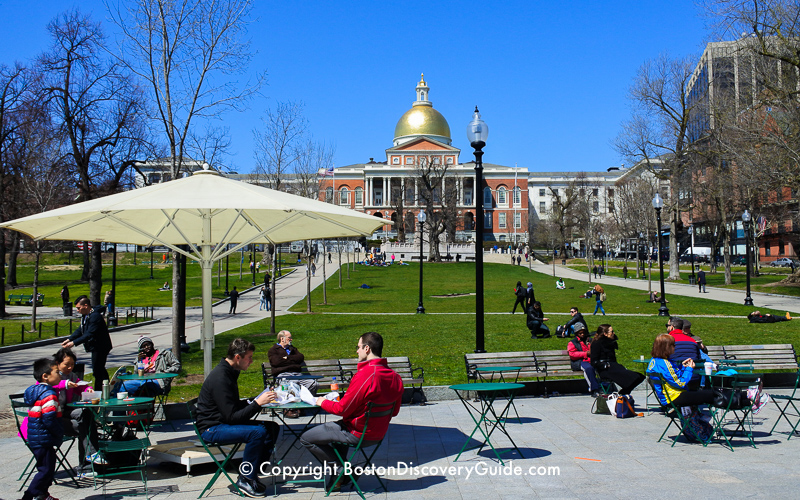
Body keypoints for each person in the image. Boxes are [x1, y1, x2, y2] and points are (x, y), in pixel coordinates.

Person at [300, 332, 403, 492]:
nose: (357, 351)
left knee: (306, 438)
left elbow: (342, 409)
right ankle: (338, 480)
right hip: (378, 434)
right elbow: (394, 412)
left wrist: (321, 401)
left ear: (367, 348)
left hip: (357, 433)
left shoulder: (366, 375)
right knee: (335, 433)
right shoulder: (395, 377)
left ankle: (340, 470)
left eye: (358, 347)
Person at [196, 339, 279, 498]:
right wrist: (257, 404)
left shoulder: (230, 371)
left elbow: (232, 406)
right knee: (257, 432)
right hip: (211, 428)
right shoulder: (221, 377)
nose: (251, 361)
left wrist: (259, 397)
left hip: (221, 421)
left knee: (272, 428)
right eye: (249, 357)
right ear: (238, 357)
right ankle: (246, 478)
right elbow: (232, 417)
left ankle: (253, 472)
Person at [647, 334, 769, 414]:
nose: (675, 348)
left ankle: (750, 400)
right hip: (675, 397)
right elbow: (680, 382)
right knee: (714, 394)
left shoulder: (655, 362)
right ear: (666, 347)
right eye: (673, 345)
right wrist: (689, 369)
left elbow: (673, 374)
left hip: (671, 396)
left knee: (715, 394)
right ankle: (748, 397)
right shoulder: (665, 363)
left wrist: (682, 367)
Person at [21, 358, 63, 500]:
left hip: (35, 436)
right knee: (45, 470)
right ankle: (30, 495)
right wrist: (58, 432)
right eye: (57, 372)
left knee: (48, 467)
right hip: (43, 438)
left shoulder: (36, 391)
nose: (60, 375)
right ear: (45, 376)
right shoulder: (49, 394)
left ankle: (43, 494)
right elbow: (49, 418)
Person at [62, 295, 112, 390]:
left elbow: (89, 333)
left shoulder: (95, 316)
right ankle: (107, 386)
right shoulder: (86, 316)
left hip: (100, 346)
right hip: (95, 346)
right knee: (99, 368)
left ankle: (100, 390)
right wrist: (70, 339)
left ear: (85, 306)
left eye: (78, 308)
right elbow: (80, 329)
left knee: (97, 370)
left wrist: (74, 343)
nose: (77, 310)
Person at [268, 331, 319, 417]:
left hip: (297, 374)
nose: (291, 339)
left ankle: (302, 406)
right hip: (284, 375)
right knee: (292, 385)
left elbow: (300, 358)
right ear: (282, 339)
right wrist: (292, 362)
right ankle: (289, 410)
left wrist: (287, 358)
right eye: (289, 338)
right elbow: (276, 362)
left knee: (313, 384)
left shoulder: (293, 349)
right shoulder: (273, 350)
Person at [115, 336, 181, 396]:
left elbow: (177, 366)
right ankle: (124, 407)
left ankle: (144, 407)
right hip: (142, 381)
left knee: (145, 387)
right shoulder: (140, 358)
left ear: (152, 344)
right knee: (123, 386)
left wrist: (164, 372)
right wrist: (139, 361)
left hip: (158, 381)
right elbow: (135, 375)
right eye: (143, 346)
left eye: (148, 344)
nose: (146, 347)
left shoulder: (164, 354)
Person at [589, 324, 644, 395]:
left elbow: (613, 359)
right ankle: (624, 393)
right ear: (605, 334)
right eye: (611, 331)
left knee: (640, 377)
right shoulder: (596, 343)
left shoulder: (611, 342)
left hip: (614, 367)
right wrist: (605, 365)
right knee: (634, 377)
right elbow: (594, 362)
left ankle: (624, 392)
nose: (613, 333)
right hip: (605, 369)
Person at [567, 324, 601, 396]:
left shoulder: (590, 340)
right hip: (579, 361)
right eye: (580, 333)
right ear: (576, 333)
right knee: (588, 368)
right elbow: (572, 354)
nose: (582, 334)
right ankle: (594, 388)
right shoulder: (573, 342)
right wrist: (585, 354)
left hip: (591, 360)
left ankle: (602, 385)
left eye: (583, 332)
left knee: (594, 367)